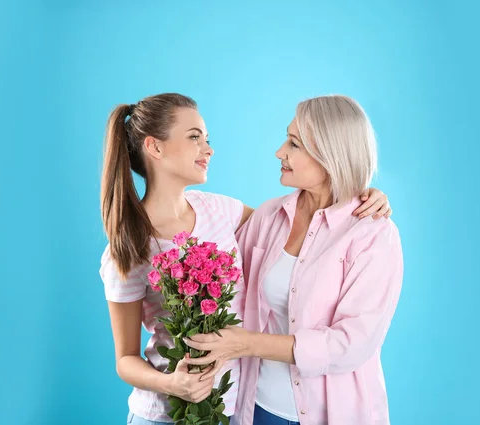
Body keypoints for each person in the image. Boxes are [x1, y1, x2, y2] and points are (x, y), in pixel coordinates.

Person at [99, 93, 393, 424]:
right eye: (194, 137)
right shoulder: (128, 247)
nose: (208, 149)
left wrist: (363, 195)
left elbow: (352, 338)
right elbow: (125, 356)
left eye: (206, 138)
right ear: (155, 147)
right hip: (173, 414)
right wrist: (172, 383)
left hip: (234, 409)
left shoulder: (219, 213)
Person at [183, 95, 403, 425]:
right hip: (257, 410)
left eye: (294, 143)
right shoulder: (269, 216)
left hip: (334, 415)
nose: (279, 152)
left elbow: (351, 344)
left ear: (331, 154)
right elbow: (225, 283)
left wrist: (245, 344)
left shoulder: (372, 234)